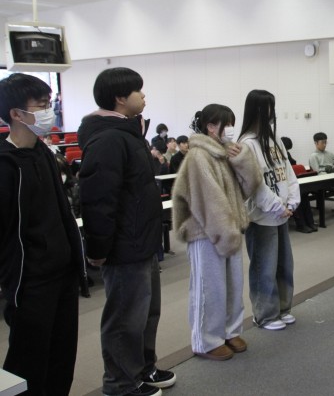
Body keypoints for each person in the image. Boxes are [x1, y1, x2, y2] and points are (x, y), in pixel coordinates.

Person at [78, 67, 176, 396]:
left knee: (147, 313)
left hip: (142, 240)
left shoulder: (128, 132)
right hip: (123, 246)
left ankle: (143, 368)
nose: (144, 96)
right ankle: (120, 383)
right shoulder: (107, 138)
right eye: (138, 91)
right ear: (120, 98)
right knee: (125, 318)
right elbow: (98, 200)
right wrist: (98, 249)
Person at [0, 73, 87, 396]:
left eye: (49, 103)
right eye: (41, 105)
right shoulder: (6, 164)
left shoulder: (44, 153)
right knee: (29, 361)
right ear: (16, 113)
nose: (49, 111)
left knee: (62, 358)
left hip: (63, 273)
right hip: (30, 281)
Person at [172, 104, 262, 361]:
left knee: (232, 285)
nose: (231, 129)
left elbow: (250, 186)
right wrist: (225, 233)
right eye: (227, 124)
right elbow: (208, 201)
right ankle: (206, 341)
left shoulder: (224, 153)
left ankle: (230, 331)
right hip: (206, 233)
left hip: (228, 229)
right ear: (211, 127)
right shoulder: (199, 156)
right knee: (209, 288)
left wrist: (241, 159)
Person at [239, 89, 300, 331]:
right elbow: (254, 183)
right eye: (268, 108)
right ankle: (264, 314)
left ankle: (283, 308)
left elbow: (288, 172)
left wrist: (292, 201)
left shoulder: (275, 141)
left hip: (282, 214)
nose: (272, 113)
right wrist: (276, 205)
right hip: (262, 217)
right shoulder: (247, 144)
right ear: (257, 110)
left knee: (284, 265)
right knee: (264, 267)